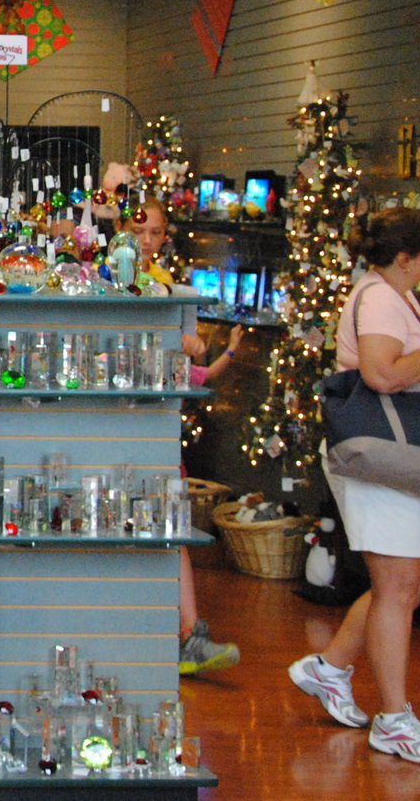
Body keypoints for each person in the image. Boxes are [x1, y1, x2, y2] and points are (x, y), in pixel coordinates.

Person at [289, 206, 420, 766]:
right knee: (397, 585)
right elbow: (381, 373)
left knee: (416, 577)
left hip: (397, 458)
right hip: (378, 457)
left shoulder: (389, 293)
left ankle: (331, 666)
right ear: (406, 257)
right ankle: (394, 719)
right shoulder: (383, 298)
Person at [132, 200, 244, 674]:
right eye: (139, 230)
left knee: (173, 528)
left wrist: (196, 348)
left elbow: (189, 368)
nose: (147, 241)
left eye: (156, 232)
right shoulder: (98, 277)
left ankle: (190, 635)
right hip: (115, 424)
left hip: (157, 425)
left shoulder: (171, 289)